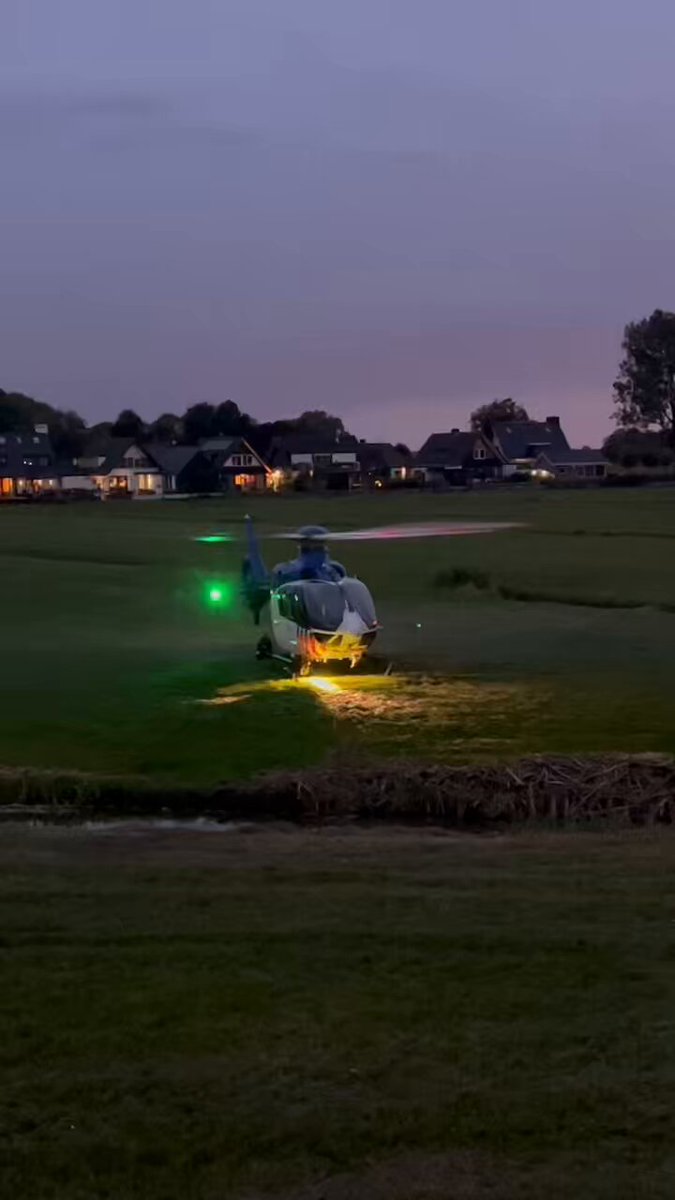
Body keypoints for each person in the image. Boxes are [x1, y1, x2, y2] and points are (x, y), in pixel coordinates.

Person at [271, 526, 346, 587]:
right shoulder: (283, 570)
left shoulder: (335, 569)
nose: (313, 546)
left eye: (319, 545)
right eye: (308, 544)